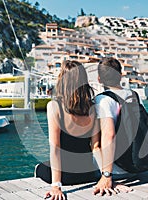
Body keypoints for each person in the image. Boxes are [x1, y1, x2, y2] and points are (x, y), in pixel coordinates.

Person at [35, 60, 101, 199]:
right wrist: (106, 176)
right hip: (87, 173)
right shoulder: (92, 108)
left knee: (39, 168)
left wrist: (56, 186)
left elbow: (55, 148)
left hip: (66, 176)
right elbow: (96, 148)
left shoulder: (54, 107)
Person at [93, 57, 140, 195]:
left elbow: (109, 136)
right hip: (135, 167)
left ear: (99, 79)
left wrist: (107, 175)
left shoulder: (103, 100)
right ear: (120, 76)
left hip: (115, 171)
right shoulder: (134, 95)